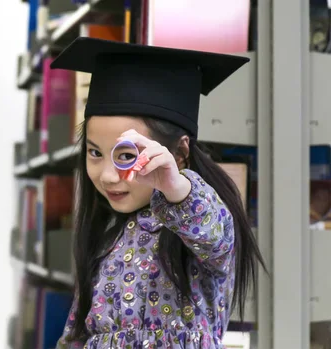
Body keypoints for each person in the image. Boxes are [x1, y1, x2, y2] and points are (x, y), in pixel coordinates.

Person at [49, 38, 266, 349]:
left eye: (125, 155)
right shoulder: (106, 238)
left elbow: (214, 233)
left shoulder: (195, 229)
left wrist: (175, 186)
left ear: (179, 153)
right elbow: (77, 335)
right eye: (95, 153)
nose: (109, 175)